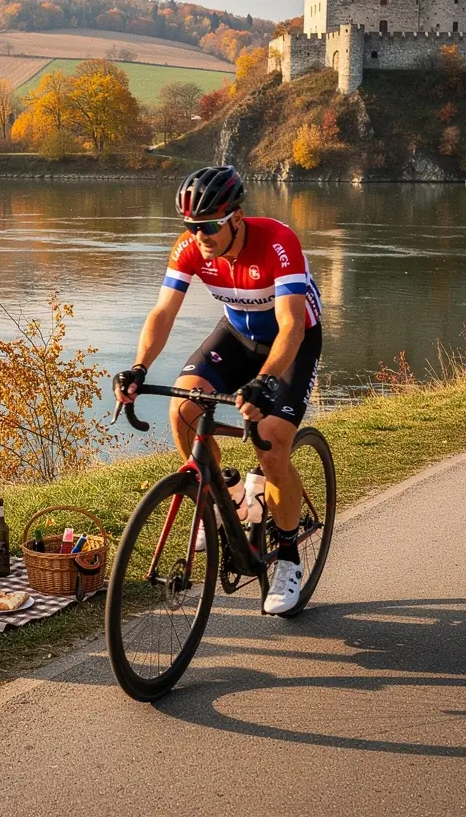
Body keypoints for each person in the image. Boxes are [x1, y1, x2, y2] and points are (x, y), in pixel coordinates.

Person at [113, 165, 323, 615]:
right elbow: (163, 313)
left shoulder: (278, 243)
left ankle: (287, 556)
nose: (199, 235)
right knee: (184, 410)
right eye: (191, 226)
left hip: (291, 342)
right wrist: (138, 367)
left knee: (271, 444)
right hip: (236, 334)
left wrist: (266, 382)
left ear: (237, 218)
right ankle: (224, 496)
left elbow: (290, 327)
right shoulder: (191, 247)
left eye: (209, 225)